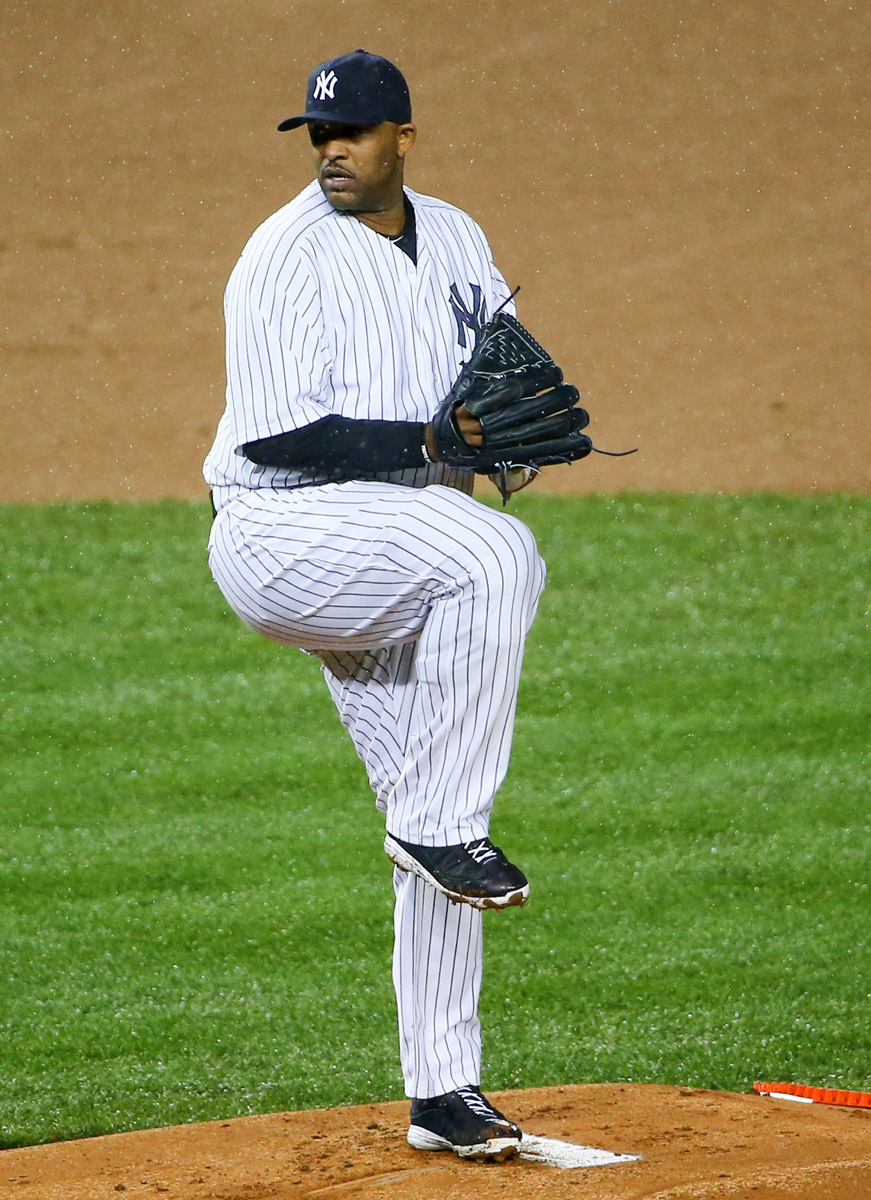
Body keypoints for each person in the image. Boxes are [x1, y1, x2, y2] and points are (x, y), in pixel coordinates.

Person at [204, 49, 549, 1162]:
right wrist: (431, 446)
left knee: (426, 796)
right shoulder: (281, 258)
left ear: (405, 133)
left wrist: (518, 423)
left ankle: (443, 1095)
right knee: (495, 559)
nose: (332, 153)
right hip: (287, 536)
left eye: (350, 133)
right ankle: (443, 825)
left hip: (396, 551)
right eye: (317, 136)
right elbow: (277, 438)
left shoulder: (455, 234)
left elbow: (502, 365)